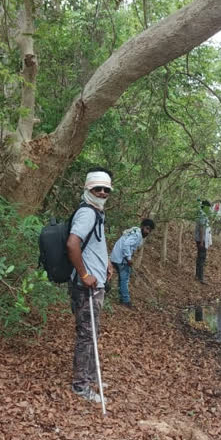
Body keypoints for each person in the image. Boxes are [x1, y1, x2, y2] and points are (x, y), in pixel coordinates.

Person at [66, 167, 114, 403]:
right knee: (87, 335)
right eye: (98, 189)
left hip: (96, 284)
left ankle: (90, 375)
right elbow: (72, 244)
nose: (103, 193)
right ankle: (80, 385)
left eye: (106, 189)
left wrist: (106, 264)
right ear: (88, 189)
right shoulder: (88, 214)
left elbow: (94, 244)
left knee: (92, 333)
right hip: (86, 287)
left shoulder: (98, 212)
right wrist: (84, 274)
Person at [109, 219, 155, 308]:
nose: (148, 232)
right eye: (147, 228)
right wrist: (129, 259)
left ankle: (122, 299)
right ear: (142, 226)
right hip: (121, 259)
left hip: (116, 256)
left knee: (122, 279)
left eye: (150, 230)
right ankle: (126, 301)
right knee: (125, 280)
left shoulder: (135, 231)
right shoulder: (137, 234)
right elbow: (126, 245)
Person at [195, 199, 212, 284]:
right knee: (201, 258)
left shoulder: (203, 214)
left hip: (202, 240)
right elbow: (201, 229)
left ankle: (198, 275)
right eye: (208, 207)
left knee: (200, 258)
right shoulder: (202, 215)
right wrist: (202, 241)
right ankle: (200, 278)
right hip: (201, 240)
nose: (209, 209)